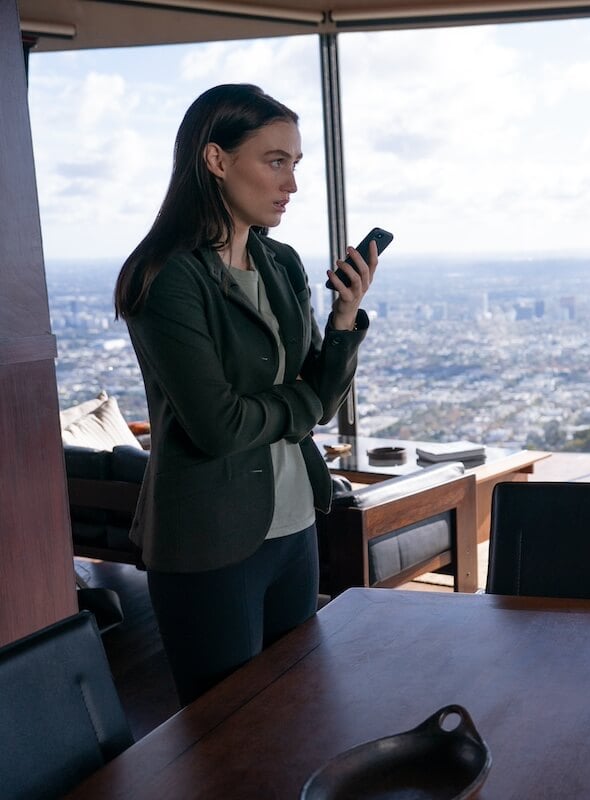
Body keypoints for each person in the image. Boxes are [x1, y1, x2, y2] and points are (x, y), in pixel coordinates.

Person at [113, 84, 379, 705]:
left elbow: (323, 400)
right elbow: (220, 427)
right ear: (216, 160)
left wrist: (344, 320)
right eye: (275, 161)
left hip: (294, 526)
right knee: (222, 736)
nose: (291, 183)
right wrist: (304, 405)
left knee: (296, 715)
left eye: (296, 164)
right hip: (208, 538)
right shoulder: (166, 275)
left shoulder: (281, 264)